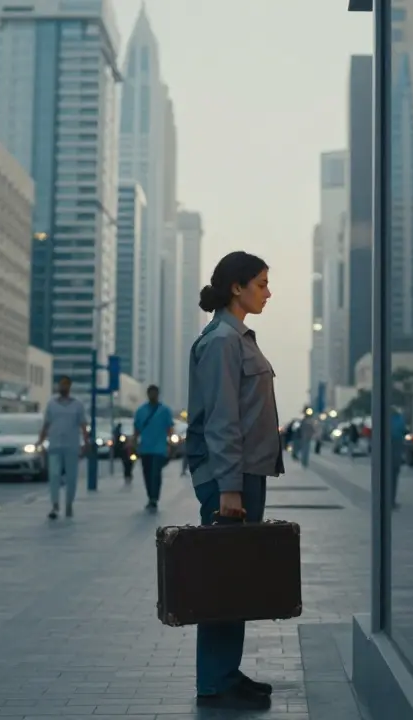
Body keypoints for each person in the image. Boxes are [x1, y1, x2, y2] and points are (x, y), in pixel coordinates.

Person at [184, 250, 284, 711]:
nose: (268, 292)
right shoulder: (224, 341)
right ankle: (215, 681)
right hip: (232, 477)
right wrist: (228, 488)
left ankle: (226, 672)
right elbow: (223, 419)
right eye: (261, 283)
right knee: (225, 577)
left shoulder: (237, 337)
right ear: (236, 288)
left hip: (244, 473)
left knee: (236, 576)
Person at [38, 375, 88, 519]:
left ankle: (69, 504)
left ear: (70, 387)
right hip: (55, 445)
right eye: (61, 385)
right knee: (54, 475)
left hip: (71, 446)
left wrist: (86, 442)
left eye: (66, 385)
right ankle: (54, 505)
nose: (63, 387)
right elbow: (46, 424)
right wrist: (40, 441)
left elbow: (83, 425)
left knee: (71, 477)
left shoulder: (77, 405)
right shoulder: (52, 404)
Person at [133, 384, 174, 510]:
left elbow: (169, 428)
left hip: (159, 449)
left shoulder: (165, 410)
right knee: (147, 473)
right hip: (145, 448)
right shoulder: (141, 410)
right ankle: (150, 496)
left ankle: (154, 498)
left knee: (156, 473)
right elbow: (137, 429)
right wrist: (134, 443)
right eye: (150, 393)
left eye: (155, 393)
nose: (153, 395)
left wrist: (171, 445)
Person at [389, 407, 407, 509]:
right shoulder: (399, 418)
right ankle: (391, 501)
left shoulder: (383, 417)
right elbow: (403, 430)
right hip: (396, 448)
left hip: (388, 449)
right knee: (393, 477)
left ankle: (387, 501)